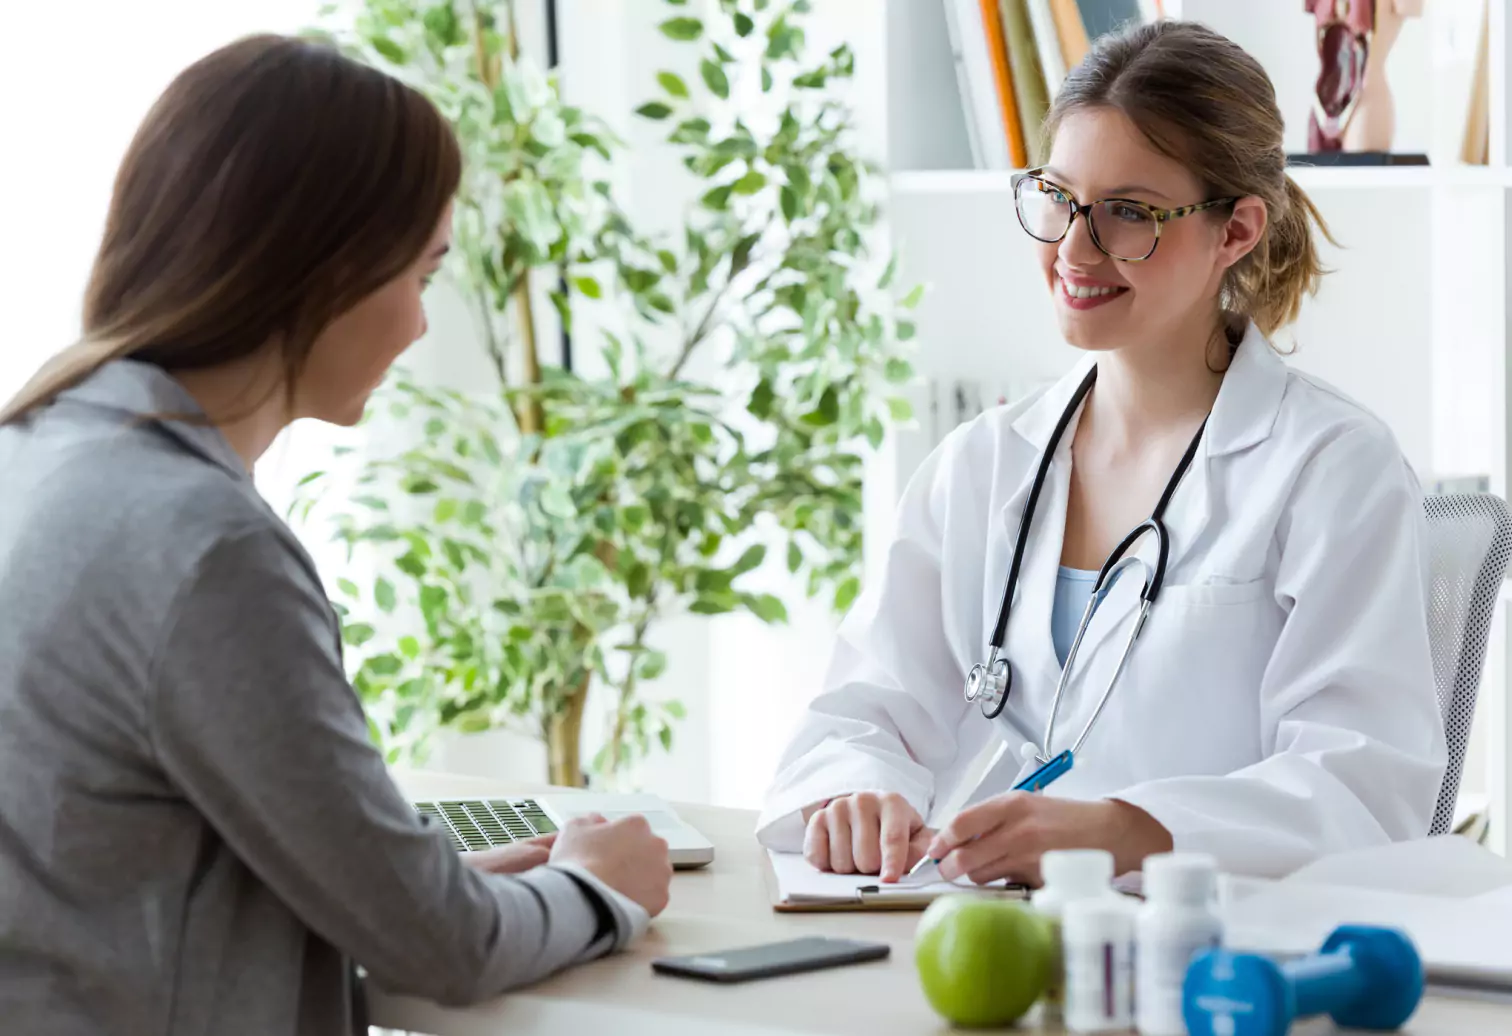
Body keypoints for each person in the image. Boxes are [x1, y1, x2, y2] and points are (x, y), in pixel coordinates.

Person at [0, 34, 672, 1036]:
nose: (417, 328)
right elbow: (443, 947)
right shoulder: (204, 547)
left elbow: (122, 856)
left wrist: (387, 876)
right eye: (423, 274)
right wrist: (594, 886)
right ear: (327, 271)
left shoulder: (39, 448)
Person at [756, 20, 1445, 888]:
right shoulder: (984, 465)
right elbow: (860, 715)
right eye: (1059, 197)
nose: (1074, 251)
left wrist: (1124, 831)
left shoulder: (1331, 469)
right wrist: (859, 793)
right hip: (987, 951)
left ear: (1236, 232)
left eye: (1129, 214)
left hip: (1215, 959)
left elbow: (1362, 788)